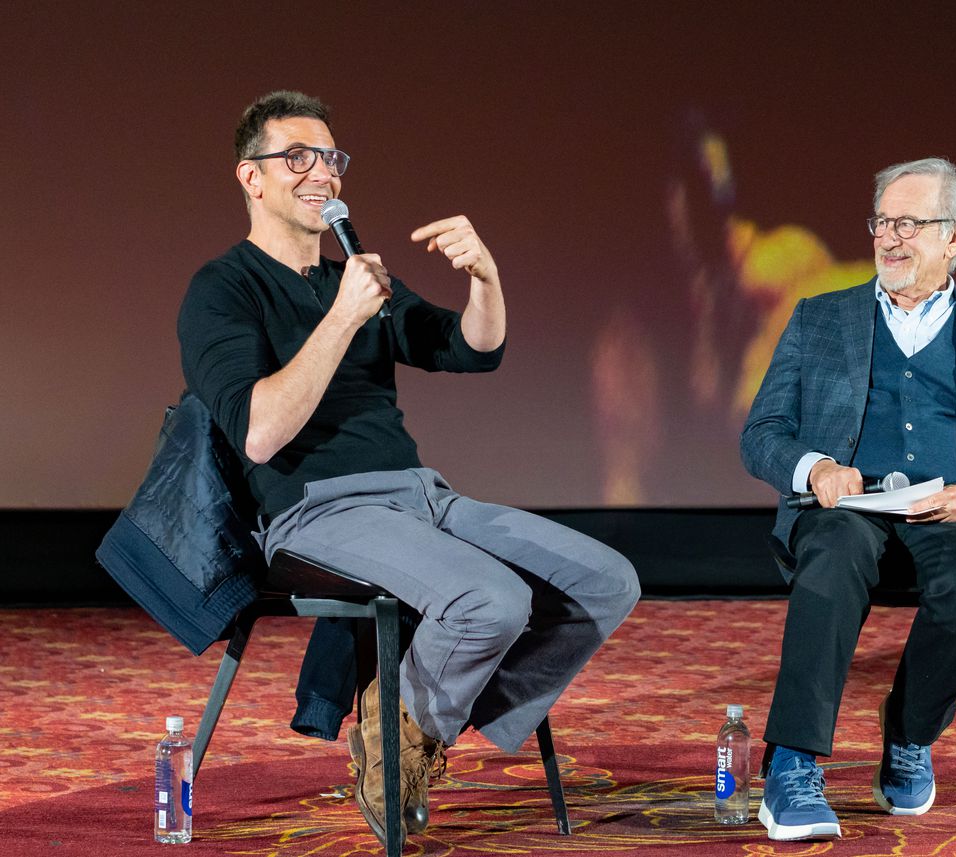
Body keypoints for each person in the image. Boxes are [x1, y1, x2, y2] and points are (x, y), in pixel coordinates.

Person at [177, 90, 640, 842]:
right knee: (490, 601)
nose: (320, 171)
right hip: (314, 509)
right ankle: (403, 732)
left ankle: (403, 727)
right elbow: (259, 432)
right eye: (297, 156)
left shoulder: (355, 276)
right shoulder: (223, 290)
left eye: (330, 156)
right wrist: (342, 318)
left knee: (605, 579)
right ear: (250, 178)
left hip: (421, 496)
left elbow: (472, 348)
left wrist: (486, 279)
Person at [740, 157, 956, 840]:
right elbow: (762, 432)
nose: (889, 236)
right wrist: (815, 466)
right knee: (830, 554)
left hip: (949, 511)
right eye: (882, 220)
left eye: (909, 222)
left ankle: (909, 732)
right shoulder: (819, 321)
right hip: (848, 513)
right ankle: (792, 764)